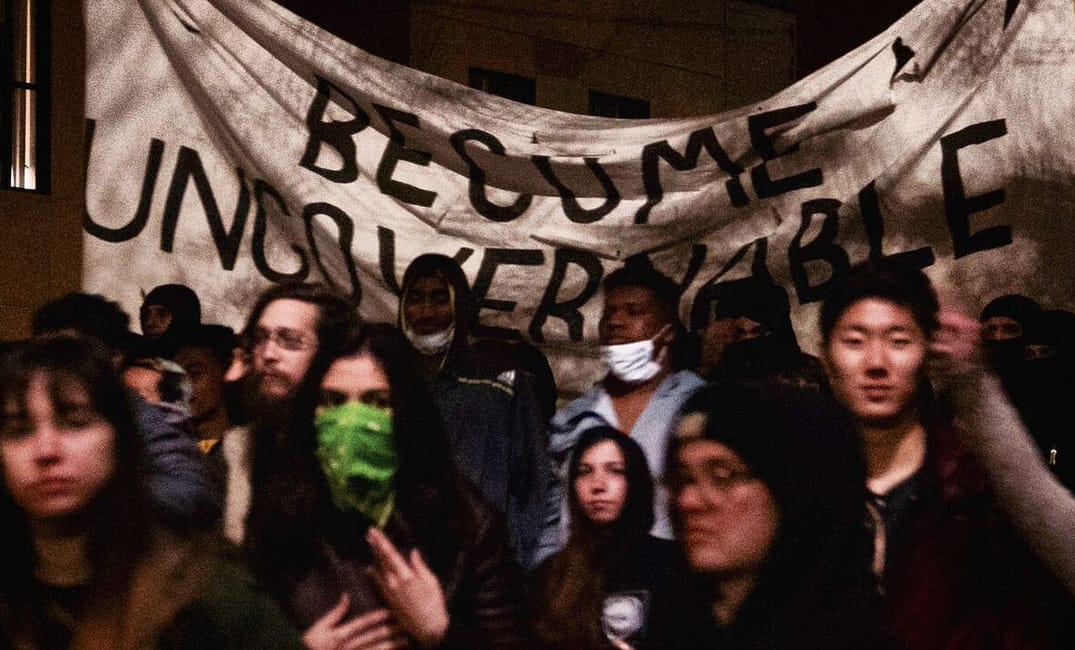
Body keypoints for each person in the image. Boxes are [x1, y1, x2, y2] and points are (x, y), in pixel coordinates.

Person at [820, 260, 1073, 649]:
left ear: (927, 351)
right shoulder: (799, 485)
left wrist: (975, 387)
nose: (876, 363)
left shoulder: (976, 483)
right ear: (826, 356)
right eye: (855, 341)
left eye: (899, 341)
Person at [0, 334, 302, 648]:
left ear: (120, 439)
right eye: (18, 429)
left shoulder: (197, 582)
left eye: (74, 421)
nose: (46, 450)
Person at [244, 323, 530, 648]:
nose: (353, 422)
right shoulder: (280, 511)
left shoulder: (466, 523)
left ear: (407, 412)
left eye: (377, 402)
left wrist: (439, 633)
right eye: (334, 402)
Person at [668, 381, 882, 649]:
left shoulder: (846, 636)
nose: (688, 501)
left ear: (795, 492)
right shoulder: (680, 627)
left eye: (723, 476)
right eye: (682, 479)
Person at [538, 260, 705, 563]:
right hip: (583, 592)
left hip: (672, 590)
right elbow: (552, 520)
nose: (615, 321)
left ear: (668, 331)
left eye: (633, 311)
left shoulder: (700, 408)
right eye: (609, 312)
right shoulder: (573, 419)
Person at [398, 254, 551, 568]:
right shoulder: (386, 377)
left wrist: (516, 560)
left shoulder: (500, 381)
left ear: (461, 306)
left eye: (440, 299)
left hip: (482, 563)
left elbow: (535, 483)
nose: (425, 311)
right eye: (415, 299)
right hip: (402, 562)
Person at [30, 292, 218, 529]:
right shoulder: (22, 411)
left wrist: (100, 486)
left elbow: (193, 495)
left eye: (69, 355)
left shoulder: (139, 416)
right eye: (44, 356)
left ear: (114, 359)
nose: (55, 368)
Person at [222, 282, 358, 544]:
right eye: (260, 338)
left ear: (331, 356)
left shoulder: (360, 452)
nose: (268, 354)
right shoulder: (235, 449)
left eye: (290, 341)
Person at [532, 427, 690, 649]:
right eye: (585, 471)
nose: (598, 485)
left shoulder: (674, 566)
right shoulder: (550, 576)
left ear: (635, 481)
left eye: (615, 471)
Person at [695, 276, 827, 392]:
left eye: (759, 331)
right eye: (738, 333)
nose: (749, 338)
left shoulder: (807, 372)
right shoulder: (711, 381)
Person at [139, 283, 202, 357]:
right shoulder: (140, 357)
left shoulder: (203, 360)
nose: (149, 323)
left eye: (162, 314)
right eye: (146, 315)